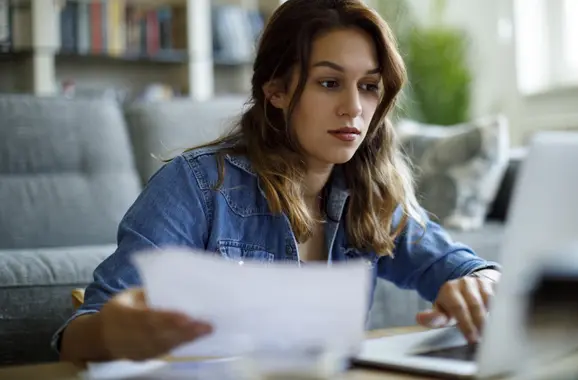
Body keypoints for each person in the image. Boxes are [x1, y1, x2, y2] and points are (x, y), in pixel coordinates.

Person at [55, 0, 501, 363]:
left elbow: (469, 268)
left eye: (369, 86)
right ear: (276, 92)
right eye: (329, 83)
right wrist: (112, 332)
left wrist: (479, 281)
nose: (354, 108)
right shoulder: (195, 185)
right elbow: (78, 334)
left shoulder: (370, 193)